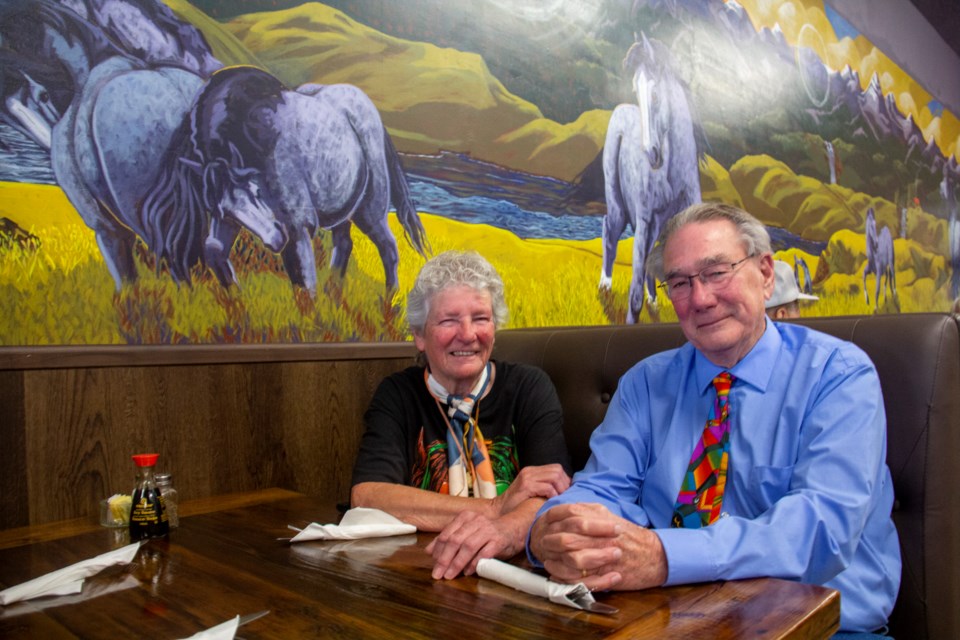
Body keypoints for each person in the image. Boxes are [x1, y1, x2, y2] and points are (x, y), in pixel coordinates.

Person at [527, 203, 900, 635]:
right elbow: (601, 488)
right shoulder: (646, 383)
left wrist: (663, 556)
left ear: (764, 274)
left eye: (717, 272)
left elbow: (819, 529)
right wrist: (548, 532)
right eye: (680, 283)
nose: (700, 299)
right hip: (667, 619)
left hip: (824, 628)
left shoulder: (839, 376)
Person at [351, 250, 572, 581]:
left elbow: (552, 491)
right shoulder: (397, 393)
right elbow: (368, 495)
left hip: (514, 574)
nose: (467, 334)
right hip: (422, 571)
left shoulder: (529, 387)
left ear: (494, 329)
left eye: (481, 318)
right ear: (420, 336)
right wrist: (496, 508)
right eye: (448, 320)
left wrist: (504, 527)